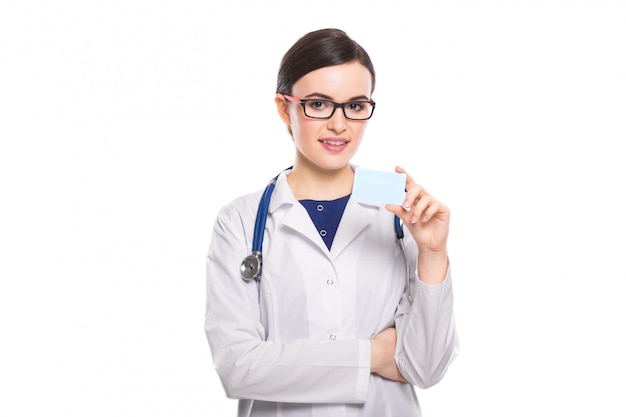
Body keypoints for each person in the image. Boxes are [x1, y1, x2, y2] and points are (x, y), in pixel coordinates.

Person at [205, 28, 459, 417]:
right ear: (283, 107)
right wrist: (374, 355)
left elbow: (425, 367)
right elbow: (239, 367)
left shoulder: (401, 212)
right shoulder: (240, 221)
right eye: (320, 104)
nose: (340, 124)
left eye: (355, 106)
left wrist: (433, 253)